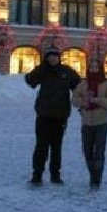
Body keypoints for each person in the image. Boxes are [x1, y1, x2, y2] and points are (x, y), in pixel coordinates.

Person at [25, 45, 80, 185]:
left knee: (56, 147)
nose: (52, 58)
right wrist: (42, 67)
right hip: (43, 114)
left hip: (60, 115)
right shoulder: (43, 70)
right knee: (41, 146)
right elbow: (30, 80)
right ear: (46, 58)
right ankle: (37, 175)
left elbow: (79, 87)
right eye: (49, 56)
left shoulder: (66, 71)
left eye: (55, 55)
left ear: (59, 57)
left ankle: (55, 175)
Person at [71, 59, 107, 189]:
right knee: (87, 151)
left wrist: (98, 100)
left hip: (101, 122)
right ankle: (92, 174)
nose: (93, 68)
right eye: (91, 66)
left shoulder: (106, 85)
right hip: (86, 122)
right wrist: (83, 101)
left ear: (100, 68)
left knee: (99, 152)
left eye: (96, 66)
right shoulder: (82, 85)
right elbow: (74, 100)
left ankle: (96, 179)